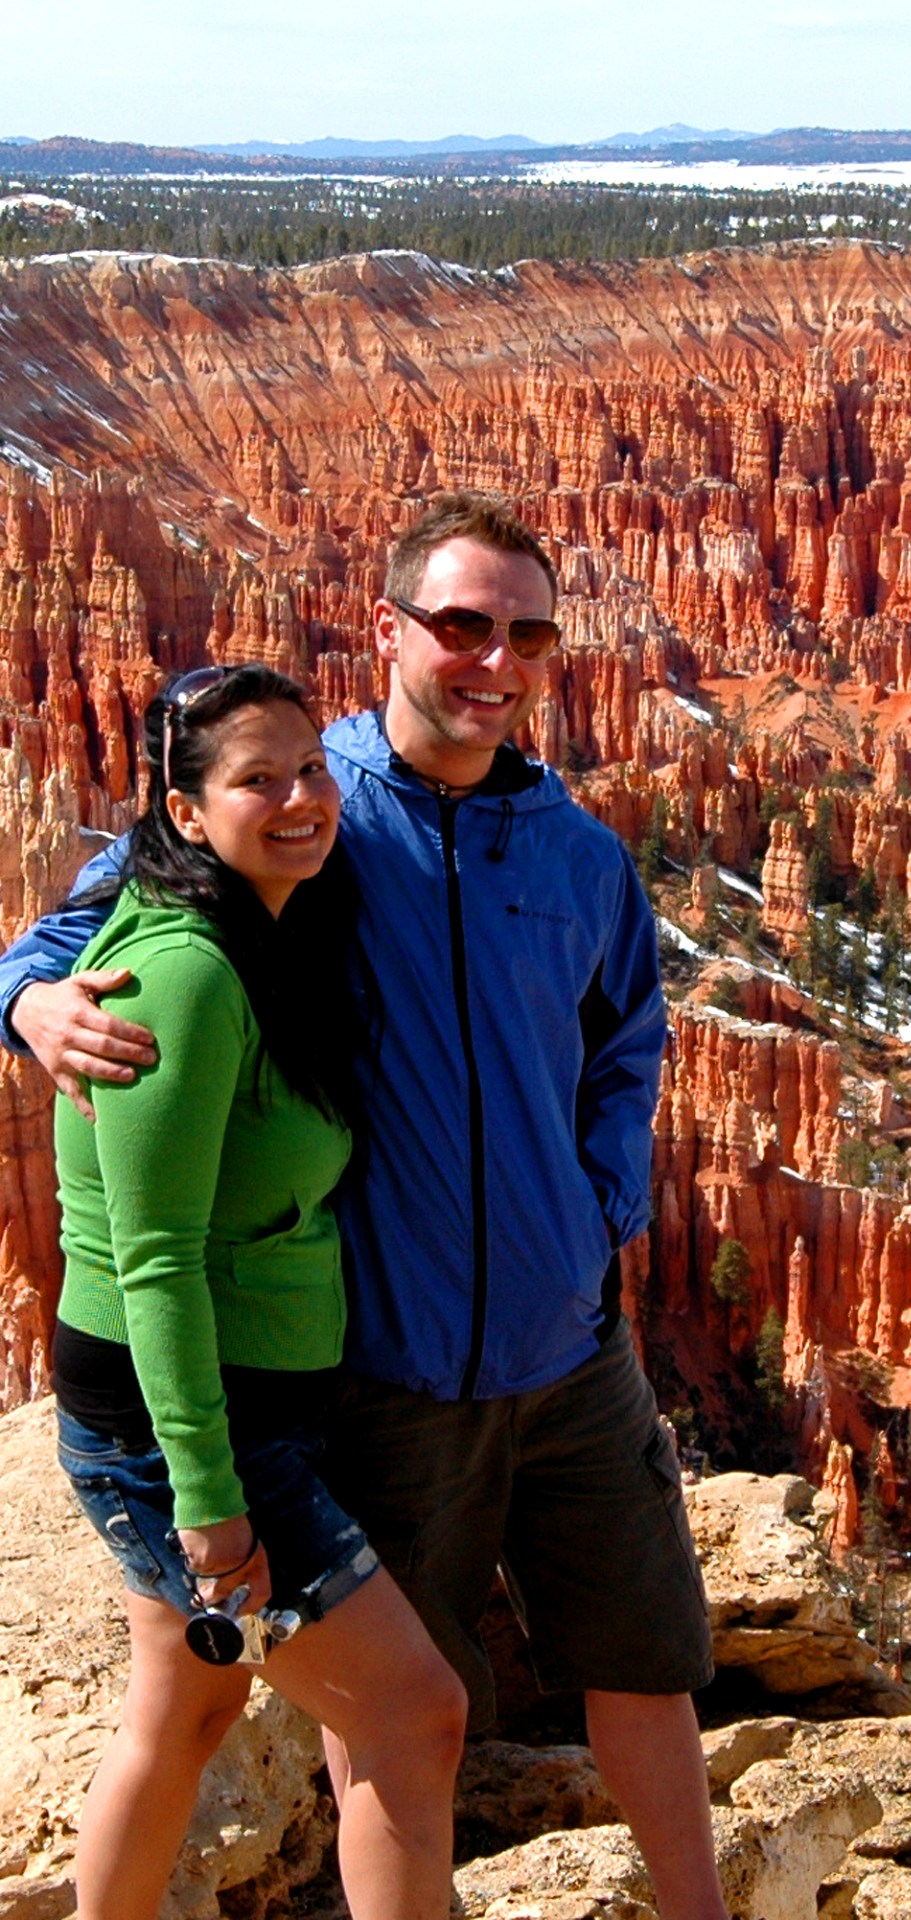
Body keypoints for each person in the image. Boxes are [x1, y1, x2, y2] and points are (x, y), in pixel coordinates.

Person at [2, 496, 727, 1920]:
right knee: (397, 1721)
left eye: (525, 632)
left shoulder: (578, 857)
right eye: (462, 624)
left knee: (645, 1663)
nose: (495, 660)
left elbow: (626, 1049)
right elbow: (99, 916)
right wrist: (24, 997)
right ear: (388, 630)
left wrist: (597, 1212)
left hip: (572, 1349)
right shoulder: (306, 804)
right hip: (386, 1374)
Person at [48, 665, 467, 1920]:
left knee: (183, 1709)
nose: (298, 799)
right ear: (185, 813)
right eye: (255, 779)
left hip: (233, 1400)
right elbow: (154, 1256)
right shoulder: (185, 974)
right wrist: (213, 1503)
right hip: (190, 1418)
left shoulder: (259, 934)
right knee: (416, 1715)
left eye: (310, 768)